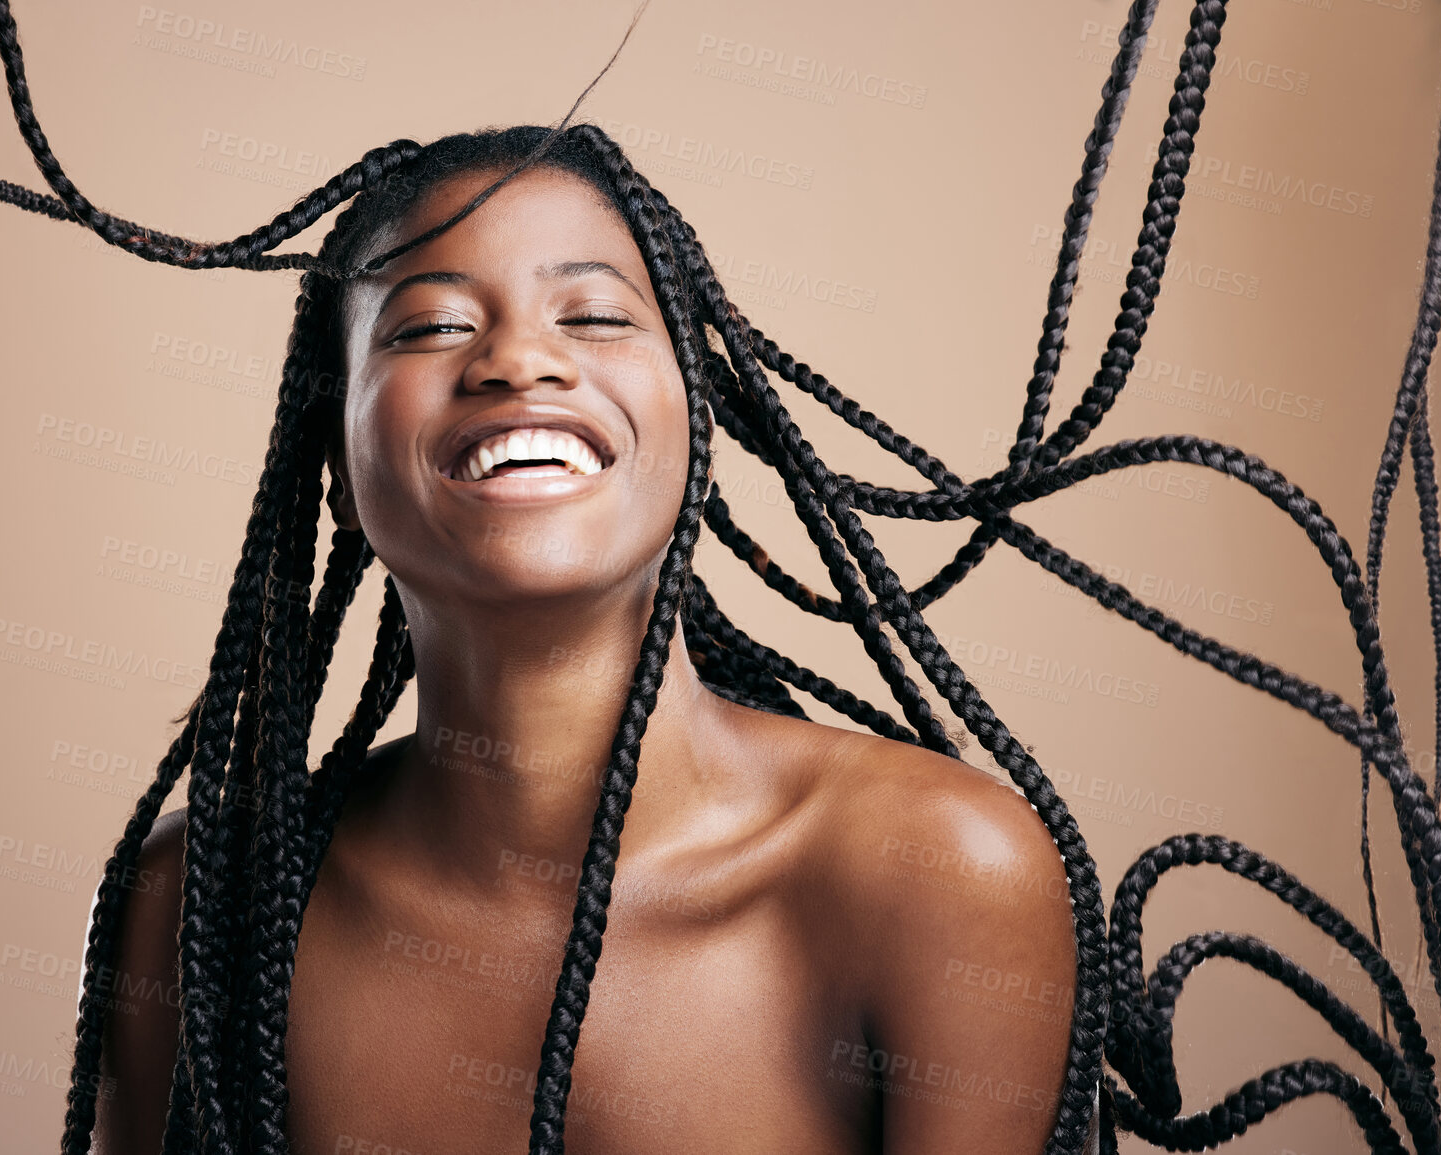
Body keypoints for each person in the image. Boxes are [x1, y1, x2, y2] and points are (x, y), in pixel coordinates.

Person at [90, 129, 1086, 1155]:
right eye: (430, 325)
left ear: (700, 425)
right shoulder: (202, 912)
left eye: (599, 314)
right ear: (335, 466)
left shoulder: (941, 873)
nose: (518, 359)